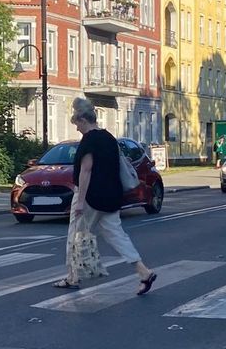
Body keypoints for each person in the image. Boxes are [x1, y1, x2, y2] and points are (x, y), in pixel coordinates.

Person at [54, 98, 157, 295]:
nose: (76, 129)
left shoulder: (89, 141)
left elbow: (86, 171)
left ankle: (72, 277)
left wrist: (80, 202)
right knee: (117, 235)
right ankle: (143, 272)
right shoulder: (109, 138)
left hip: (91, 197)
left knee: (75, 235)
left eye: (76, 124)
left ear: (83, 120)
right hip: (112, 196)